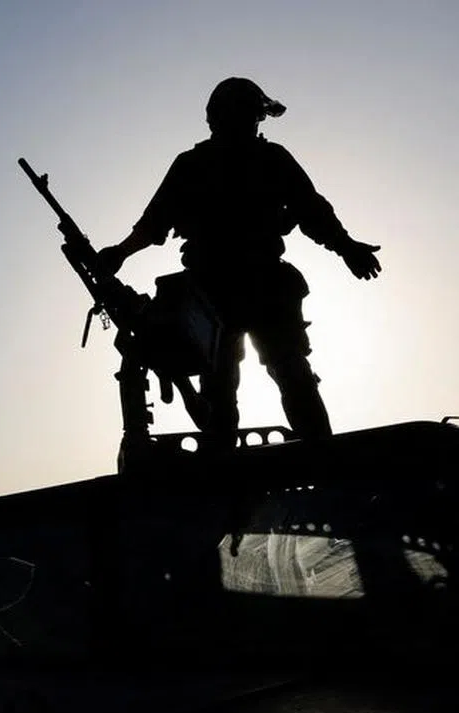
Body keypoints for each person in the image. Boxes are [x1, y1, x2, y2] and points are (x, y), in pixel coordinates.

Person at [94, 77, 381, 448]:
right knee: (228, 386)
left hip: (257, 285)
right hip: (216, 291)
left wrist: (347, 248)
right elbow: (155, 222)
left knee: (287, 374)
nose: (248, 122)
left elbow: (312, 211)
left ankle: (318, 458)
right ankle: (239, 467)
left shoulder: (266, 159)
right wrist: (120, 252)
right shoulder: (196, 165)